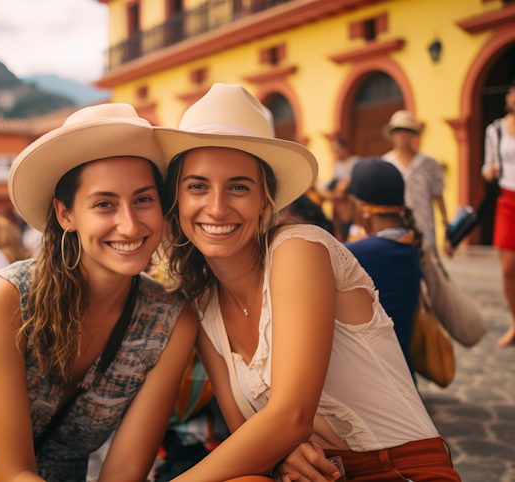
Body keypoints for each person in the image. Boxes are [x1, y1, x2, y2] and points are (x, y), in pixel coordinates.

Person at [157, 83, 461, 482]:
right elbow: (247, 435)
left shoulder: (299, 248)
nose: (216, 207)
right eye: (197, 186)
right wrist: (280, 454)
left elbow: (290, 418)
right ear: (177, 200)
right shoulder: (202, 305)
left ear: (266, 201)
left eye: (238, 187)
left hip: (398, 469)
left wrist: (282, 440)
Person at [0, 103, 197, 482]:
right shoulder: (7, 297)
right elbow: (15, 473)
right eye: (105, 204)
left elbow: (124, 470)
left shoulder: (170, 319)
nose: (129, 224)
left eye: (143, 199)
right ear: (65, 214)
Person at [343, 159, 423, 375]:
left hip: (371, 380)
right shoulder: (411, 244)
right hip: (403, 374)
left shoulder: (354, 253)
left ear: (362, 208)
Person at [381, 111, 453, 257]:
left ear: (413, 134)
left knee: (429, 271)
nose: (402, 135)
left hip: (425, 227)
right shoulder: (384, 164)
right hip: (395, 228)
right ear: (392, 134)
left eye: (407, 130)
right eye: (398, 130)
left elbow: (438, 195)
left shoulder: (429, 163)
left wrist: (447, 230)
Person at [483, 78, 515, 347]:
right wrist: (489, 171)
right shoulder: (495, 130)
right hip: (507, 198)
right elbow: (487, 166)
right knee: (508, 268)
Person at [315, 139, 359, 241]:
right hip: (341, 201)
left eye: (337, 149)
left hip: (352, 202)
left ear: (345, 149)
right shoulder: (336, 165)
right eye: (333, 150)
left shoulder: (355, 162)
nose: (335, 152)